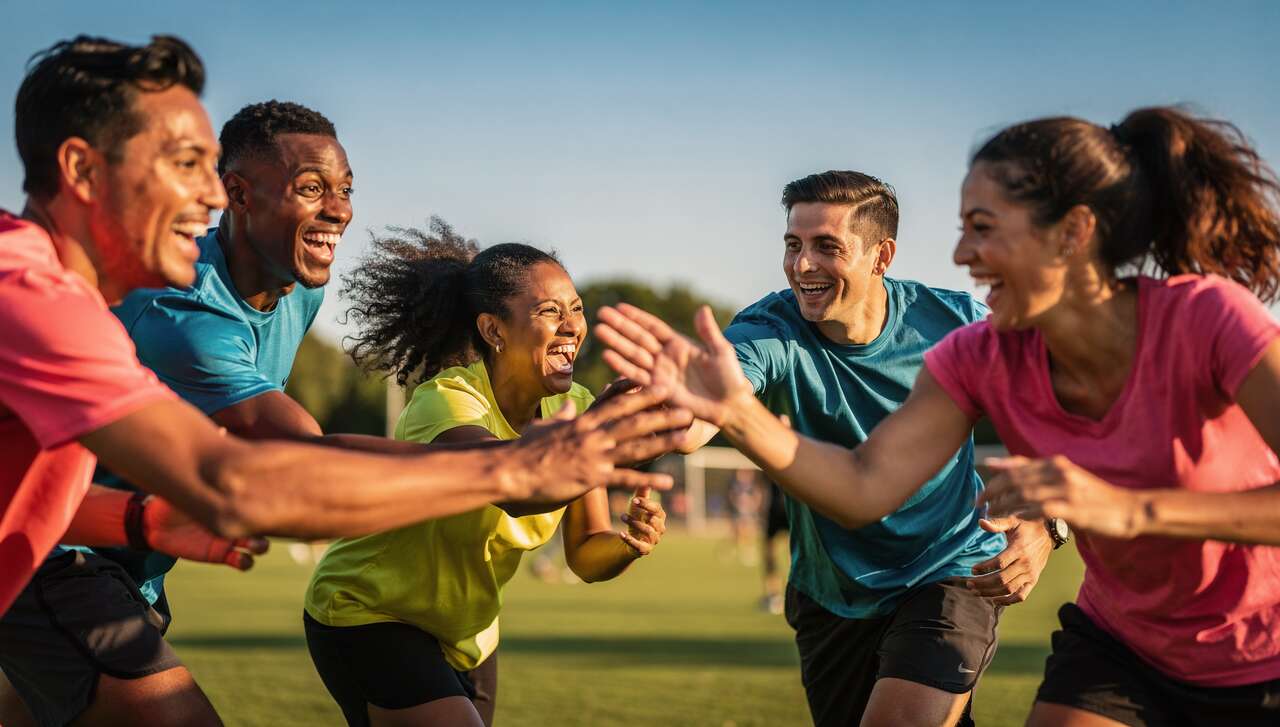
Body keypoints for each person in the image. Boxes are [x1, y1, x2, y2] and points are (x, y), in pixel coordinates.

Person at [0, 29, 687, 697]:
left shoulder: (269, 288)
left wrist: (137, 522)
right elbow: (240, 478)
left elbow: (27, 483)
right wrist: (510, 466)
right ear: (83, 170)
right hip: (63, 575)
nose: (207, 194)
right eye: (182, 165)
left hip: (97, 560)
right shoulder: (80, 305)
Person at [597, 108, 1280, 726]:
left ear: (1072, 233)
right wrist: (733, 413)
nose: (960, 254)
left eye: (982, 229)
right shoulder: (980, 353)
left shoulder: (1209, 319)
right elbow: (866, 483)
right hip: (1117, 644)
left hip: (1257, 644)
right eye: (962, 229)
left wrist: (1104, 515)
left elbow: (1101, 502)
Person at [659, 171, 1056, 727]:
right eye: (793, 245)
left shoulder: (956, 324)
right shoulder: (768, 328)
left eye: (828, 247)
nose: (803, 266)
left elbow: (1065, 417)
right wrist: (667, 411)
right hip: (831, 592)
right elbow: (702, 411)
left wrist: (1047, 525)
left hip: (949, 569)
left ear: (880, 255)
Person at [304, 228, 669, 727]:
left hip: (469, 638)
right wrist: (594, 439)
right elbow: (513, 488)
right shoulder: (447, 400)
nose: (571, 326)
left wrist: (629, 543)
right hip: (371, 612)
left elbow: (586, 554)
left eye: (576, 308)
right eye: (548, 312)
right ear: (494, 331)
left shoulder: (575, 407)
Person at [759, 479, 789, 615]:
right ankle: (774, 595)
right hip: (775, 511)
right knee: (769, 555)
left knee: (795, 555)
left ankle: (793, 595)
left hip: (789, 511)